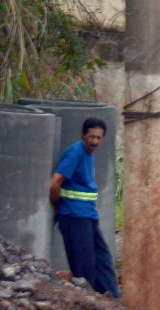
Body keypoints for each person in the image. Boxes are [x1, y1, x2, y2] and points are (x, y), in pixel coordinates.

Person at [49, 118, 120, 298]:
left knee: (103, 260)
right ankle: (88, 302)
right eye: (91, 137)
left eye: (98, 138)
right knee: (84, 267)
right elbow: (55, 184)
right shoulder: (75, 153)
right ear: (83, 136)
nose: (95, 141)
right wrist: (59, 207)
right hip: (74, 217)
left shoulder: (89, 153)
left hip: (88, 216)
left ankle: (111, 299)